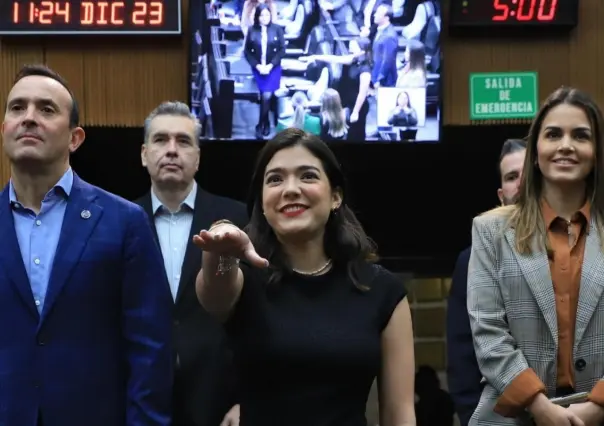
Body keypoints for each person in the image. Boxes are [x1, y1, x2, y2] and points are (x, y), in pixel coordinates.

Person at [193, 128, 416, 425]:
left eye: (307, 176)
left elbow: (399, 412)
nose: (290, 189)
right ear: (262, 200)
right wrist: (222, 245)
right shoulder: (244, 279)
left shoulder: (382, 290)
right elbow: (216, 290)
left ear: (335, 196)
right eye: (275, 179)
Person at [0, 64, 173, 426]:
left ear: (75, 138)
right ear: (4, 129)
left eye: (46, 110)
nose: (29, 118)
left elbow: (150, 353)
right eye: (17, 108)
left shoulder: (124, 222)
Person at [468, 87, 604, 425]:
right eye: (553, 134)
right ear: (536, 150)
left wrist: (598, 405)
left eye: (581, 135)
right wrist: (540, 406)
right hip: (515, 415)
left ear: (597, 151)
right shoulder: (490, 231)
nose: (566, 145)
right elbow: (488, 334)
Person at [136, 102, 248, 426]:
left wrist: (247, 400)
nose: (172, 150)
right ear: (144, 154)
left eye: (183, 141)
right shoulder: (119, 221)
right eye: (160, 140)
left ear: (197, 158)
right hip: (141, 400)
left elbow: (258, 316)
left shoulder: (237, 219)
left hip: (219, 402)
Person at [446, 138, 526, 426]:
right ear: (501, 194)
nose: (521, 183)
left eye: (529, 172)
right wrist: (472, 416)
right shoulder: (472, 259)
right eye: (512, 177)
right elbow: (461, 352)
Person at [244, 3, 285, 139]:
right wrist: (257, 66)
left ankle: (262, 123)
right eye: (262, 15)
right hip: (258, 68)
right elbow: (247, 52)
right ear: (257, 17)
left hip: (273, 68)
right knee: (264, 95)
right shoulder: (251, 30)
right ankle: (265, 121)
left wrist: (270, 66)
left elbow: (281, 50)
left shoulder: (277, 29)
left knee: (266, 95)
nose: (265, 18)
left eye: (267, 15)